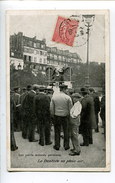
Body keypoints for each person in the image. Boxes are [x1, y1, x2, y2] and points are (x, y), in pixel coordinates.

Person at [50, 84, 73, 150]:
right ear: (64, 89)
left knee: (57, 131)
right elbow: (70, 108)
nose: (67, 90)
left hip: (57, 116)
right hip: (65, 116)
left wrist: (53, 115)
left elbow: (51, 108)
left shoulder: (54, 97)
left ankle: (57, 145)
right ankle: (66, 145)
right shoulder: (68, 97)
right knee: (66, 131)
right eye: (66, 89)